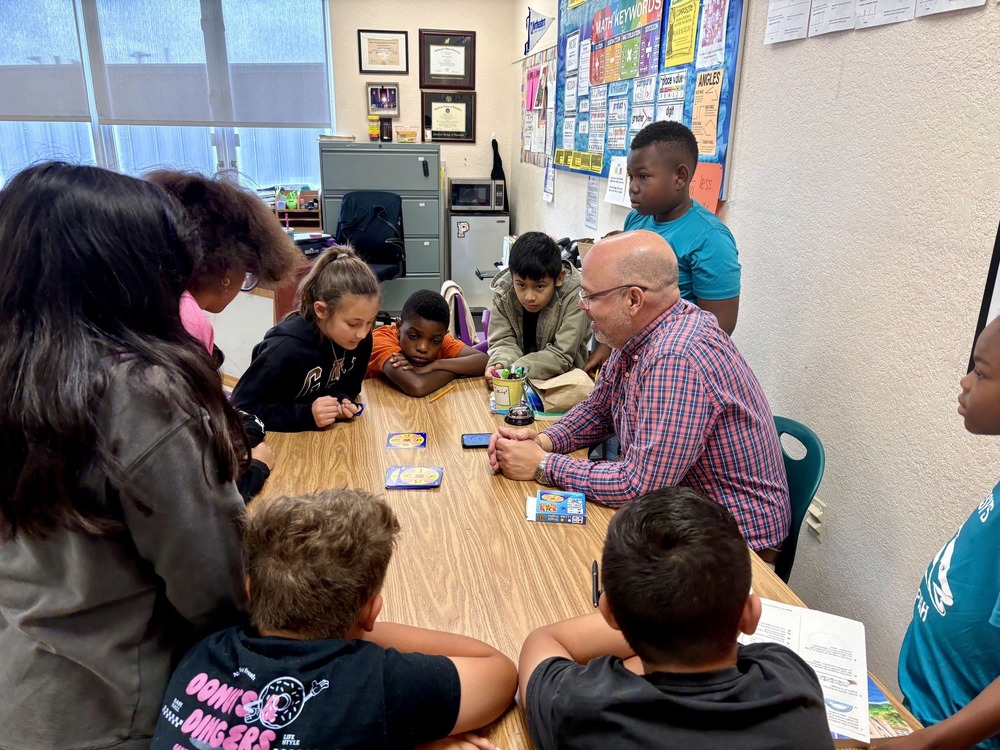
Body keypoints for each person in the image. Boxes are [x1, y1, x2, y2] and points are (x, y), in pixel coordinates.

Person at [0, 162, 248, 750]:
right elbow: (213, 586)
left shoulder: (20, 374)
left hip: (26, 690)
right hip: (125, 705)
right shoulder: (138, 393)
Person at [489, 230, 789, 552]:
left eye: (590, 296)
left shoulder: (676, 358)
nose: (581, 305)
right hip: (681, 513)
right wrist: (543, 441)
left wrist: (543, 464)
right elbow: (599, 410)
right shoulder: (636, 332)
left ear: (633, 299)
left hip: (735, 545)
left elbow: (639, 486)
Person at [150, 488, 517, 750]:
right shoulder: (374, 683)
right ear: (371, 612)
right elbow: (500, 673)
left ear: (249, 588)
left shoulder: (202, 651)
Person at [520, 487, 832, 750]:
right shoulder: (793, 684)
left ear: (609, 614)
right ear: (750, 616)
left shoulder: (580, 709)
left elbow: (542, 642)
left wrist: (645, 617)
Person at [148, 169, 302, 498]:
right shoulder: (187, 319)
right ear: (226, 271)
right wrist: (255, 468)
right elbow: (190, 464)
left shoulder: (153, 299)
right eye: (247, 276)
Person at [887, 316, 1000, 750]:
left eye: (981, 372)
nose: (966, 381)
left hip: (951, 737)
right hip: (922, 709)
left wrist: (932, 742)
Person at [584, 120, 741, 373]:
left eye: (643, 177)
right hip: (631, 357)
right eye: (631, 176)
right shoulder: (636, 220)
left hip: (672, 366)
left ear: (680, 177)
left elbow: (718, 328)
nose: (633, 187)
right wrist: (608, 346)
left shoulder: (711, 239)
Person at [232, 246, 379, 432]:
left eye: (370, 322)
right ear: (322, 310)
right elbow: (240, 411)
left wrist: (339, 402)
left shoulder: (361, 340)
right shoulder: (283, 351)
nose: (362, 333)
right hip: (281, 445)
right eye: (353, 324)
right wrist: (305, 414)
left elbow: (349, 388)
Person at [487, 231, 590, 382]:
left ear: (559, 278)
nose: (529, 297)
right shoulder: (504, 290)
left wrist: (516, 370)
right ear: (512, 275)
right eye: (521, 285)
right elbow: (502, 339)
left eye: (539, 287)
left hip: (562, 382)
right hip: (517, 379)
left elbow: (562, 354)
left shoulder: (576, 296)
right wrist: (501, 363)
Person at [366, 289, 488, 397]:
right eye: (413, 336)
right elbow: (417, 386)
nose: (423, 348)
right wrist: (456, 371)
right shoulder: (381, 340)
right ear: (398, 327)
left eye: (435, 341)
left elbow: (484, 361)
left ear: (445, 335)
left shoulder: (440, 338)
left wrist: (435, 365)